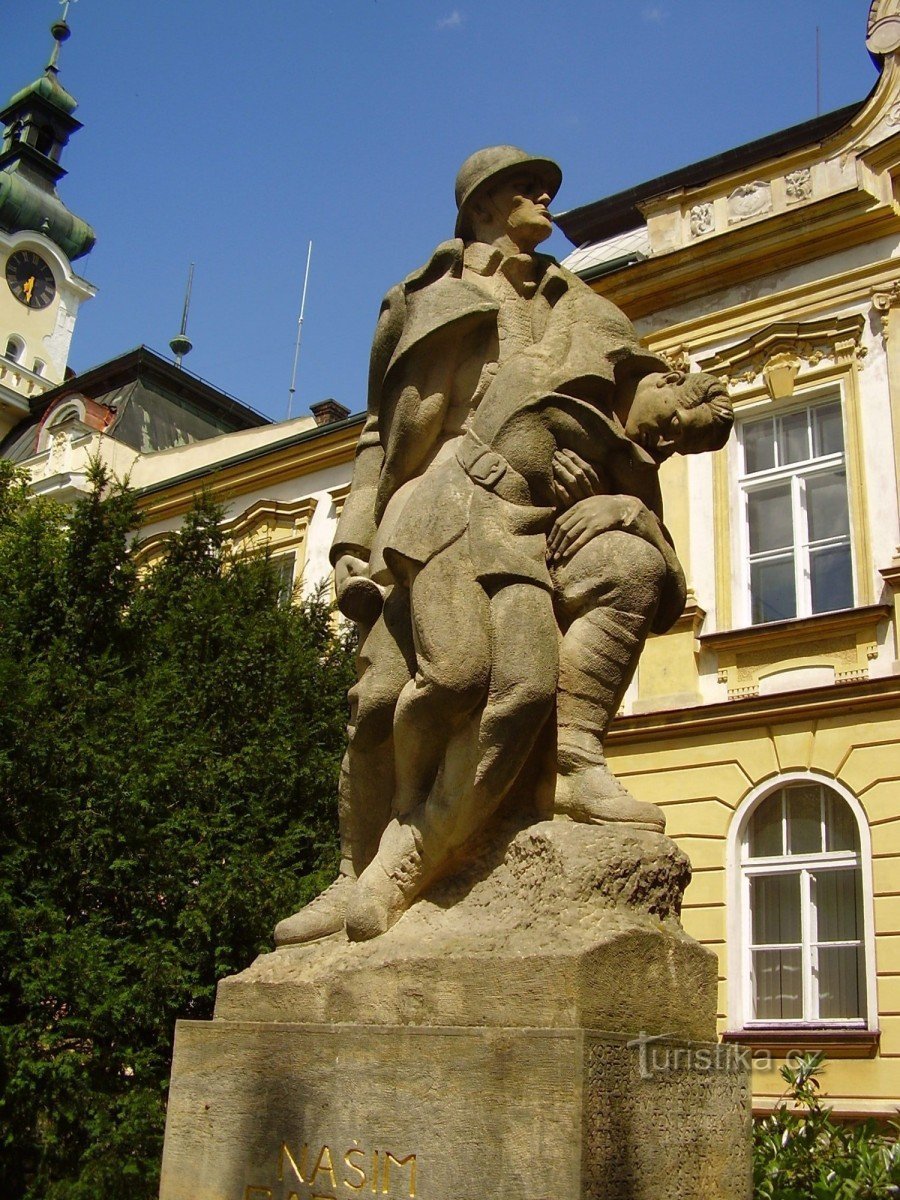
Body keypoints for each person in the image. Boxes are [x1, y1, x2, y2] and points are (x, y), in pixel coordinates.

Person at [274, 146, 729, 947]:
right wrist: (352, 539)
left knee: (611, 587)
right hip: (439, 507)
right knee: (395, 697)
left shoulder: (582, 305)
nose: (546, 194)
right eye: (526, 185)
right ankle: (358, 867)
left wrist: (625, 505)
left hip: (538, 520)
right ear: (482, 205)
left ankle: (562, 770)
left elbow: (641, 421)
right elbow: (383, 432)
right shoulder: (425, 299)